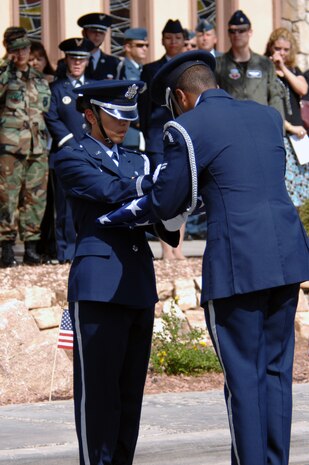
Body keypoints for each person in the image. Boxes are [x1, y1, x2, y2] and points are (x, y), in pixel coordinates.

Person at [148, 50, 309, 465]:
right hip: (285, 256)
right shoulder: (267, 116)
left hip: (237, 262)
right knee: (275, 373)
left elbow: (168, 203)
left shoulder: (184, 127)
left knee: (243, 378)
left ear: (181, 97)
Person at [53, 79, 179, 465]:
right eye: (114, 116)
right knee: (99, 395)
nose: (124, 124)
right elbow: (109, 191)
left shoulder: (137, 159)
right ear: (91, 115)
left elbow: (160, 214)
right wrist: (155, 189)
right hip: (99, 286)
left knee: (129, 395)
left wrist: (176, 201)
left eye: (128, 116)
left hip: (138, 282)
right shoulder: (72, 156)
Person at [0, 34, 51, 267]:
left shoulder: (39, 79)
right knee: (6, 199)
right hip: (10, 146)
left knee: (36, 198)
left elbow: (44, 109)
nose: (21, 54)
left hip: (37, 146)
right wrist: (5, 64)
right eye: (16, 49)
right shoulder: (4, 75)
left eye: (24, 49)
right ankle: (7, 250)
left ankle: (31, 248)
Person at [138, 18, 186, 259]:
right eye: (169, 38)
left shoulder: (189, 67)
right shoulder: (150, 69)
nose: (173, 42)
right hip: (158, 138)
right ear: (162, 40)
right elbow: (144, 108)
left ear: (183, 40)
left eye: (177, 38)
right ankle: (166, 248)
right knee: (161, 188)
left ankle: (179, 248)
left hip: (183, 135)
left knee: (184, 189)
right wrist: (147, 135)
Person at [44, 37, 95, 264]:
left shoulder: (94, 87)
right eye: (73, 58)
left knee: (91, 203)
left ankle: (88, 248)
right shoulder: (56, 88)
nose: (77, 63)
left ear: (87, 61)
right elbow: (51, 116)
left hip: (92, 154)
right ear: (66, 59)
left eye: (81, 59)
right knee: (64, 207)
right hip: (64, 153)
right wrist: (69, 141)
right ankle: (65, 251)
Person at [265, 27, 309, 208]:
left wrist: (283, 67)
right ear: (270, 48)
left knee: (303, 186)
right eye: (277, 49)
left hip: (298, 138)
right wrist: (289, 127)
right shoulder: (265, 69)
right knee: (286, 189)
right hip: (280, 133)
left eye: (285, 49)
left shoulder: (293, 70)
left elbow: (303, 89)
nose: (281, 53)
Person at [215, 10, 284, 115]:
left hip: (260, 122)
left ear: (250, 32)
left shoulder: (265, 64)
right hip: (233, 122)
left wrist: (279, 127)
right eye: (232, 31)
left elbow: (275, 98)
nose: (236, 34)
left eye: (241, 30)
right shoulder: (220, 64)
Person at [56, 12, 120, 80]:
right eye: (93, 31)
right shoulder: (65, 63)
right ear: (84, 33)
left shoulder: (114, 63)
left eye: (101, 33)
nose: (97, 36)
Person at [116, 27, 149, 151]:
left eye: (147, 45)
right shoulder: (123, 69)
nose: (145, 48)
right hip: (130, 131)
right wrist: (141, 122)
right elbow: (127, 100)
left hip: (140, 132)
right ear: (128, 47)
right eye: (140, 45)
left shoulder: (142, 69)